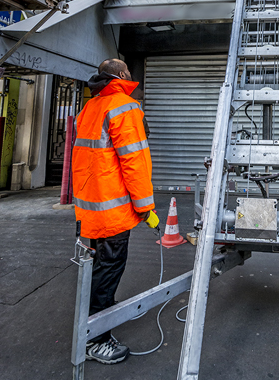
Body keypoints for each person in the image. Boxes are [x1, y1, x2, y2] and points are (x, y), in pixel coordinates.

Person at [72, 58, 159, 364]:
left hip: (89, 209)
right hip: (112, 212)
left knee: (97, 270)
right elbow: (134, 162)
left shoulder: (89, 108)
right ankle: (95, 339)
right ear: (121, 75)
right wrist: (146, 208)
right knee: (108, 270)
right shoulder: (125, 107)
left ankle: (104, 310)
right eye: (128, 72)